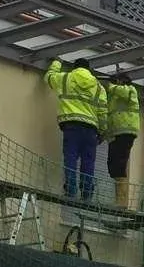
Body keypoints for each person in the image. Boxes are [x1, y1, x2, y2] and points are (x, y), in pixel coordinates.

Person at [45, 56, 107, 206]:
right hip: (91, 129)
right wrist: (103, 131)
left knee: (70, 159)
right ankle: (86, 194)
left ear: (74, 67)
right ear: (89, 69)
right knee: (88, 162)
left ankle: (71, 191)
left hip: (71, 126)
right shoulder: (99, 87)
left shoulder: (67, 78)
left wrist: (57, 62)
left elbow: (49, 78)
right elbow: (103, 112)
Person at [104, 72, 141, 209]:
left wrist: (112, 84)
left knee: (119, 166)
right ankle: (118, 200)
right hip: (116, 133)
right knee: (113, 167)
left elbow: (122, 92)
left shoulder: (130, 90)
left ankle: (121, 202)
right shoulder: (115, 97)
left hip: (126, 132)